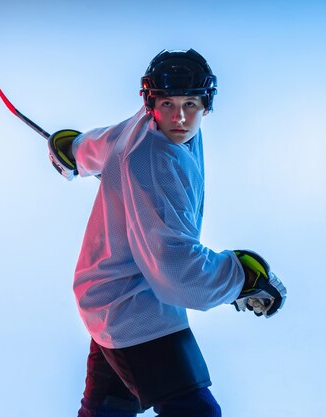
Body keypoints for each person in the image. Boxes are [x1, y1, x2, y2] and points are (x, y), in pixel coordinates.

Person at [47, 49, 287, 417]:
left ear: (206, 105)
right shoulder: (154, 159)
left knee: (107, 410)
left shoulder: (145, 126)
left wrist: (74, 152)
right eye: (168, 104)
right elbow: (175, 269)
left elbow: (106, 142)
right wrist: (241, 277)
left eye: (190, 103)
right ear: (151, 104)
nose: (179, 116)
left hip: (110, 294)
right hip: (135, 307)